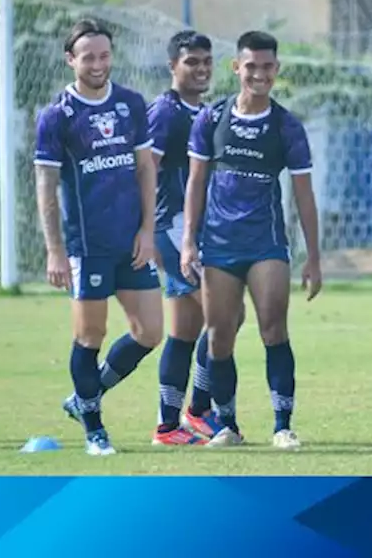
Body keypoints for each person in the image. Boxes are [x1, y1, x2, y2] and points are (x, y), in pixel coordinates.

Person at [180, 30, 323, 449]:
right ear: (236, 68)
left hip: (267, 244)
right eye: (251, 67)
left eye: (267, 67)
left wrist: (313, 257)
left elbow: (303, 194)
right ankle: (228, 426)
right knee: (219, 335)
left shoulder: (286, 126)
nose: (259, 75)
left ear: (276, 70)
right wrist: (189, 241)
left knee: (273, 328)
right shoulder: (212, 118)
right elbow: (195, 182)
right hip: (220, 244)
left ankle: (282, 425)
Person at [37, 19, 162, 456]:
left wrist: (148, 230)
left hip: (132, 242)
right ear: (71, 60)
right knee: (90, 336)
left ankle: (83, 398)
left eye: (104, 55)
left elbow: (146, 168)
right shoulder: (56, 117)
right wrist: (55, 250)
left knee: (150, 332)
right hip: (87, 247)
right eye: (87, 56)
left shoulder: (130, 103)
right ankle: (95, 431)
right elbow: (46, 185)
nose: (97, 64)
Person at [146, 30, 235, 445]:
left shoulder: (209, 112)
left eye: (206, 62)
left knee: (186, 328)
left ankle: (169, 425)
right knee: (227, 317)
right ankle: (200, 410)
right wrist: (145, 230)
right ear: (172, 67)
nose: (200, 69)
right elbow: (145, 172)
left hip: (199, 226)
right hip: (174, 226)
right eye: (191, 62)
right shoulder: (165, 113)